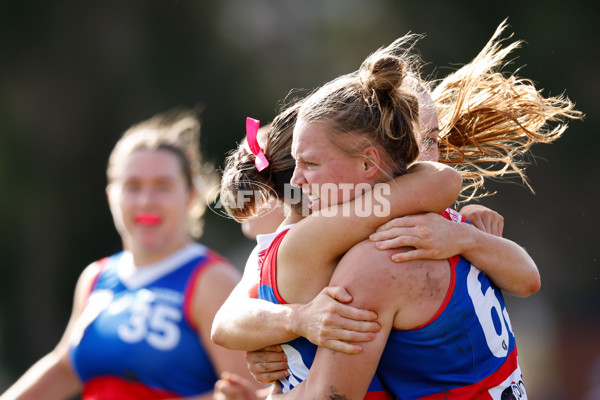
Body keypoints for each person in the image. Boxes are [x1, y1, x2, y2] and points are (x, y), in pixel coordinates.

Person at [212, 32, 551, 399]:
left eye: (432, 140)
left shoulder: (416, 235)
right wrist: (296, 322)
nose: (421, 157)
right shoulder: (376, 243)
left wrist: (472, 238)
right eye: (412, 143)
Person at [0, 109, 263, 400]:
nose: (146, 201)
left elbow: (249, 393)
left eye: (163, 186)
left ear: (190, 196)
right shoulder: (96, 277)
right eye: (133, 186)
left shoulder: (212, 279)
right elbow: (64, 367)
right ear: (112, 196)